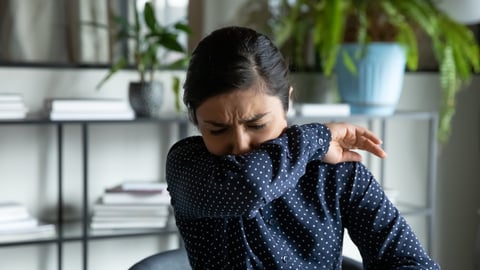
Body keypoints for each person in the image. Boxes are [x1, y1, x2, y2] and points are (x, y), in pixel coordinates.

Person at [166, 26, 439, 269]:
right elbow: (250, 185)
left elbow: (412, 262)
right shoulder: (188, 164)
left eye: (257, 125)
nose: (240, 145)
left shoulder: (336, 172)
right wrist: (320, 136)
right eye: (217, 129)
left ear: (287, 102)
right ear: (196, 120)